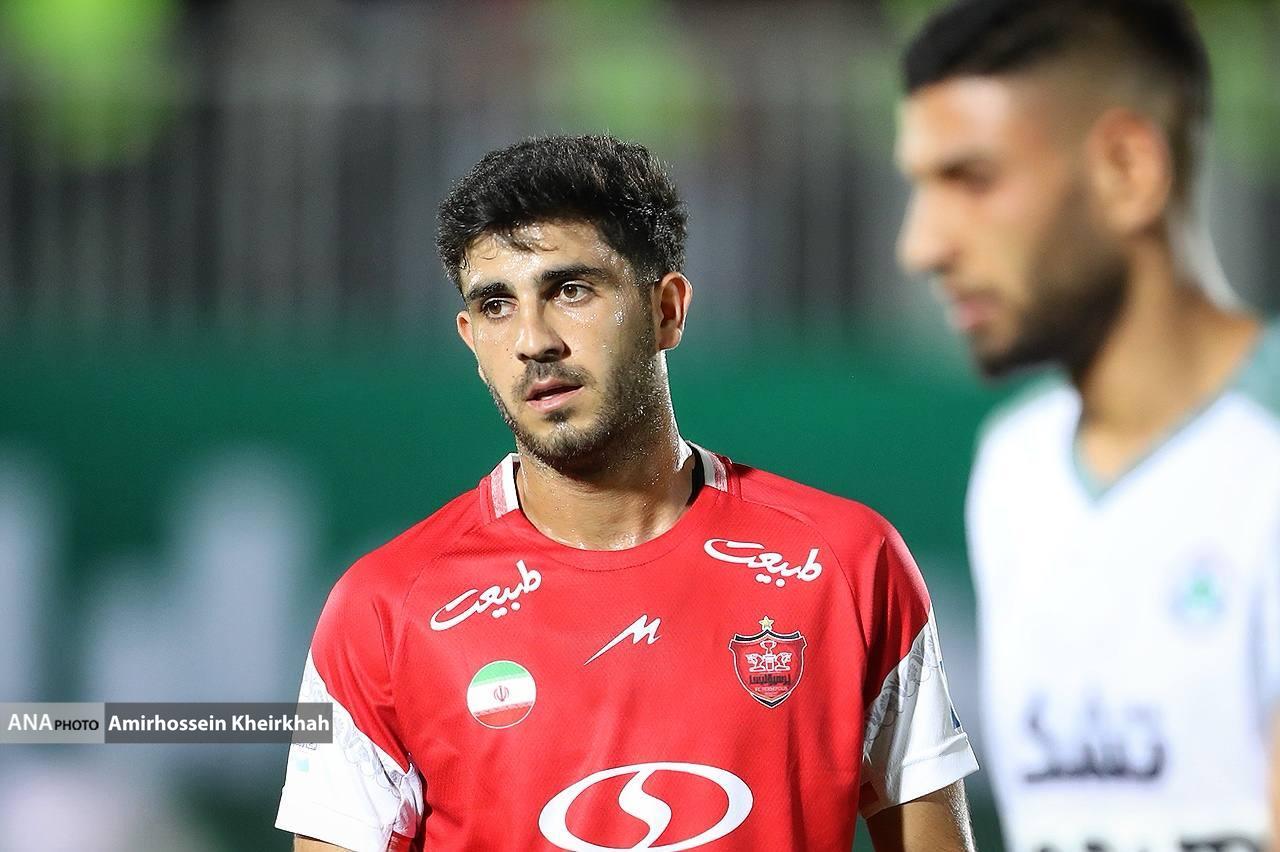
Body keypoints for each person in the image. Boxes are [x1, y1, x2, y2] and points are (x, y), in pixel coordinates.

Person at [275, 134, 978, 851]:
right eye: (496, 305)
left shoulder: (847, 563)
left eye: (570, 290)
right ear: (471, 341)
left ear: (667, 309)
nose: (533, 340)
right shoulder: (383, 609)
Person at [895, 1, 1280, 850]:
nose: (921, 245)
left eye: (971, 179)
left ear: (1127, 170)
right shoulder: (1014, 466)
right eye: (920, 187)